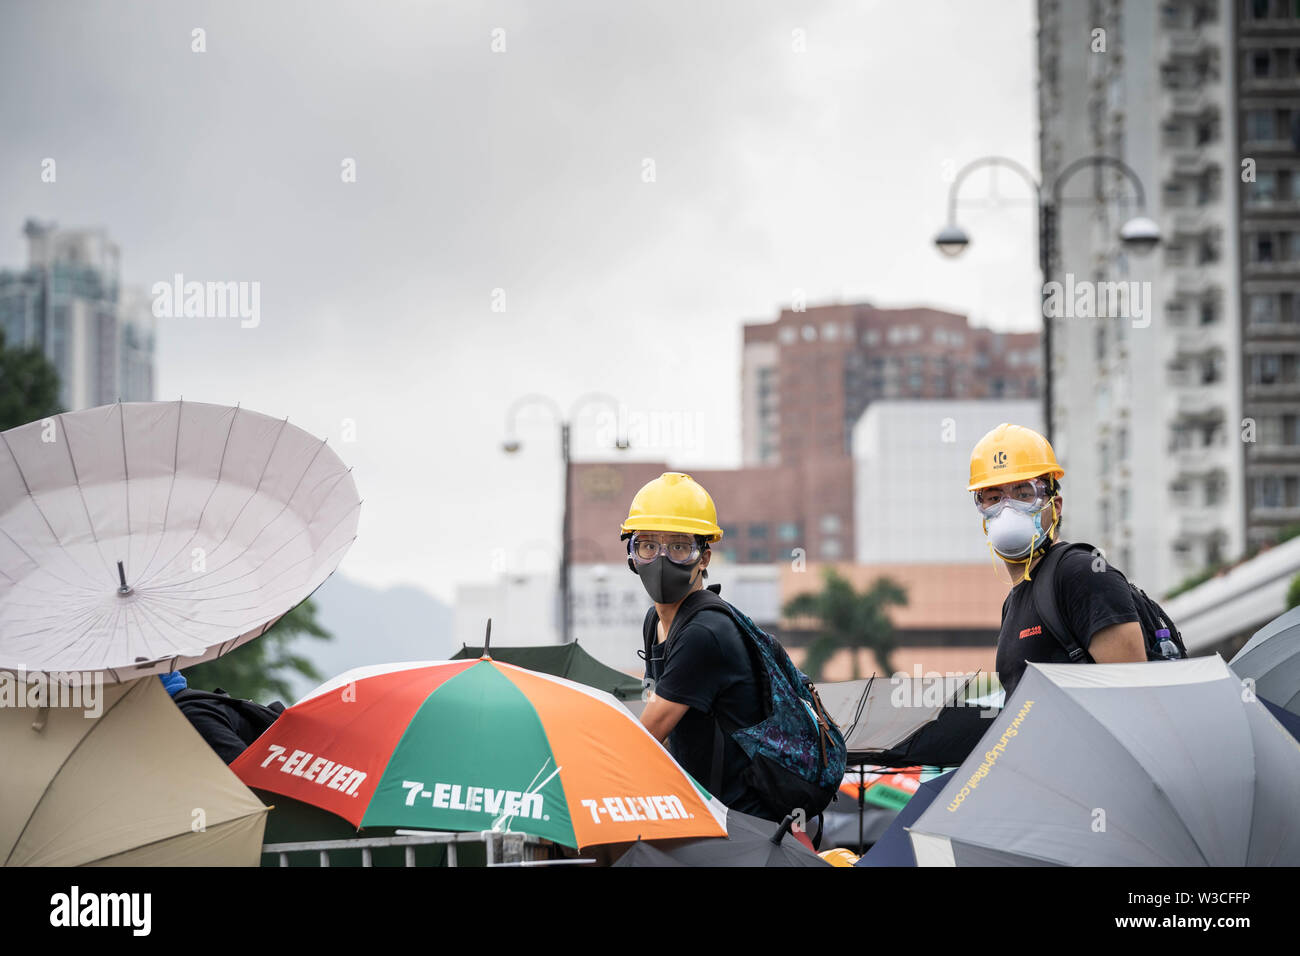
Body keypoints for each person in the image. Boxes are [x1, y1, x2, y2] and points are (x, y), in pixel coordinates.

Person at [622, 472, 776, 821]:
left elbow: (648, 734)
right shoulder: (655, 623)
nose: (661, 560)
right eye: (647, 546)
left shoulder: (704, 633)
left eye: (679, 547)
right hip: (700, 810)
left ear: (703, 558)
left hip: (742, 823)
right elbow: (658, 725)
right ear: (632, 555)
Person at [969, 423, 1148, 697]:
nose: (1007, 508)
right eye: (993, 497)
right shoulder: (1015, 601)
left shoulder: (1082, 575)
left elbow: (1137, 699)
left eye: (1023, 493)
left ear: (1055, 505)